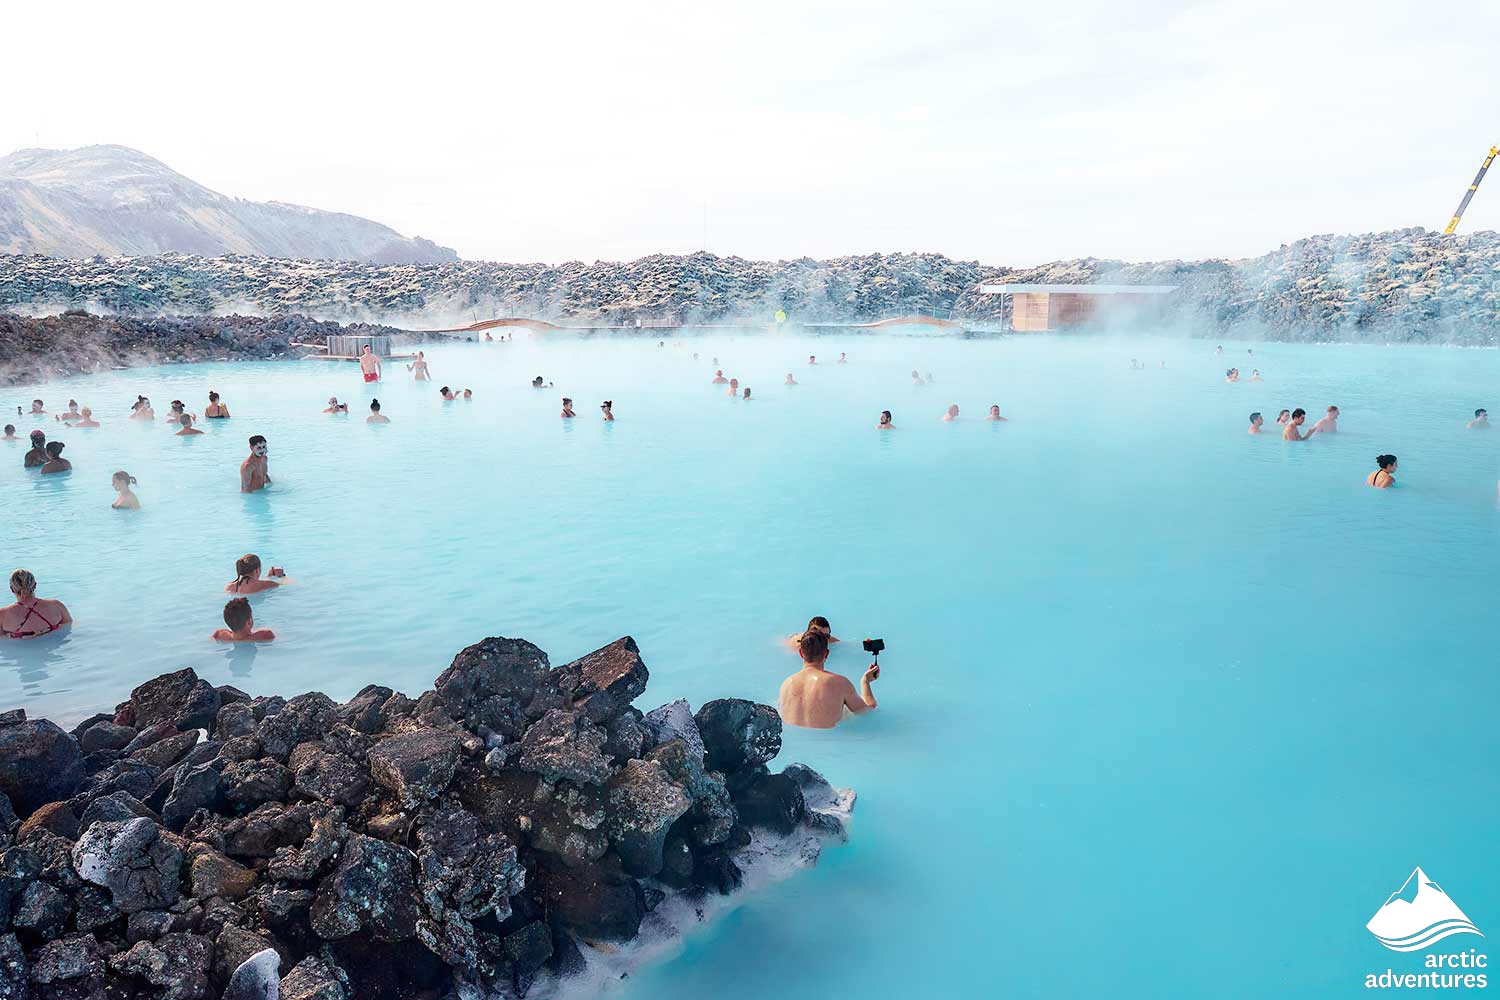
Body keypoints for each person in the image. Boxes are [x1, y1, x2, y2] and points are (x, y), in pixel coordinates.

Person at [778, 629, 878, 729]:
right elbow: (869, 714)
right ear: (826, 654)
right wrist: (865, 681)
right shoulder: (840, 684)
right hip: (831, 740)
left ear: (801, 653)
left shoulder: (786, 684)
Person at [0, 570, 72, 639]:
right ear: (35, 585)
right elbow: (69, 627)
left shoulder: (3, 615)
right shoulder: (57, 605)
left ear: (11, 589)